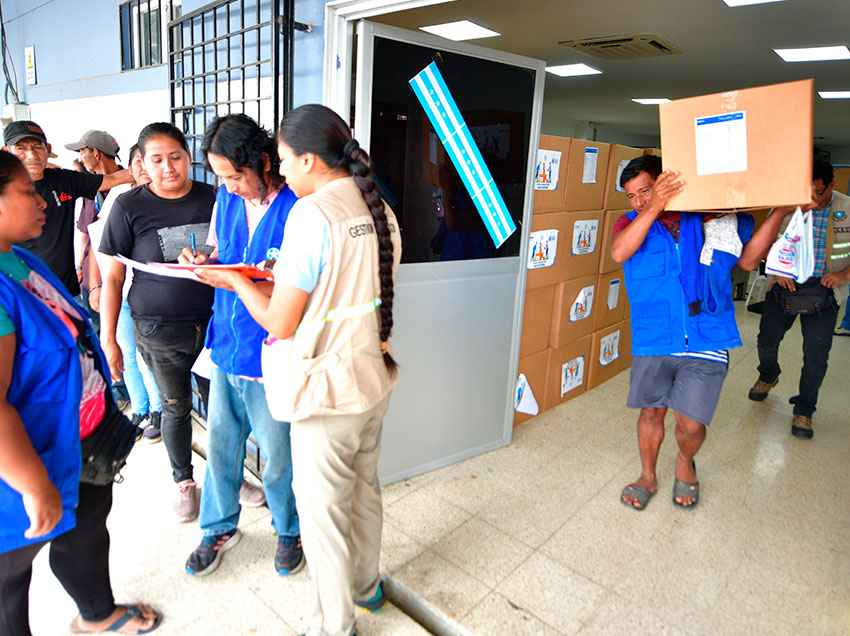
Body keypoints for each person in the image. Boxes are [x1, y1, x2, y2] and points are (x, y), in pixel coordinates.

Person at [195, 104, 401, 636]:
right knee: (364, 491)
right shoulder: (378, 209)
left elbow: (282, 323)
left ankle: (335, 626)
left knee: (324, 515)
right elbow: (345, 294)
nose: (281, 171)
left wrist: (235, 282)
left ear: (310, 159)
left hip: (327, 391)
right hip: (372, 379)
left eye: (285, 160)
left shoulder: (312, 215)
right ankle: (366, 587)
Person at [0, 150, 161, 635]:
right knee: (9, 581)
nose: (42, 200)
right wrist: (33, 485)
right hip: (29, 461)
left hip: (80, 440)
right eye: (26, 192)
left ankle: (97, 613)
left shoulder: (17, 259)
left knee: (86, 532)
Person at [612, 155, 795, 511]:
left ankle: (685, 460)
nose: (637, 201)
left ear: (667, 181)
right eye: (630, 195)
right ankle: (647, 475)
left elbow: (746, 260)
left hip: (706, 334)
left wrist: (778, 212)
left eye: (644, 191)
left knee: (691, 425)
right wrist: (653, 207)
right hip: (655, 336)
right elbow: (620, 252)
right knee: (651, 413)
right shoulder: (632, 222)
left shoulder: (719, 221)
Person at [179, 114, 302, 577]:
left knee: (276, 459)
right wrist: (202, 260)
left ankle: (288, 530)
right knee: (222, 449)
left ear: (263, 162)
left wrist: (232, 279)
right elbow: (219, 251)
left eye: (235, 176)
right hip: (227, 345)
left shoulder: (297, 209)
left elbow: (291, 288)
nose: (229, 187)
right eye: (221, 178)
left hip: (269, 354)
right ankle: (218, 527)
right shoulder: (226, 201)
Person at [99, 123, 215, 522]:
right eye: (158, 160)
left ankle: (225, 477)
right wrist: (109, 338)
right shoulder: (129, 206)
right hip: (158, 330)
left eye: (176, 157)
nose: (169, 167)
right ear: (143, 164)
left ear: (189, 156)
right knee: (175, 406)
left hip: (214, 325)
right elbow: (113, 277)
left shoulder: (212, 198)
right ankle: (184, 482)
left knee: (223, 409)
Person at [748, 158, 850, 439]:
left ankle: (804, 409)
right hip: (784, 287)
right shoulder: (786, 205)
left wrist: (842, 277)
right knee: (766, 341)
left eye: (818, 193)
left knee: (816, 355)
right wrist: (776, 269)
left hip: (825, 291)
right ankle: (768, 374)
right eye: (807, 192)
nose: (812, 200)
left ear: (831, 185)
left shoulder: (847, 208)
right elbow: (765, 244)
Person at [3, 120, 131, 296]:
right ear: (6, 152)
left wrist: (154, 168)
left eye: (37, 146)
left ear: (47, 149)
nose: (31, 155)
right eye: (21, 148)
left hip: (65, 293)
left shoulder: (64, 180)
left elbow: (113, 179)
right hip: (21, 296)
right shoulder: (3, 189)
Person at [89, 144, 163, 431]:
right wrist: (97, 285)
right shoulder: (120, 198)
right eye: (138, 162)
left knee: (147, 355)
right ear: (131, 166)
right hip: (117, 288)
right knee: (126, 352)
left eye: (149, 161)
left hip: (146, 292)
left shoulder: (164, 198)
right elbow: (98, 243)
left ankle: (158, 409)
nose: (144, 168)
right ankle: (140, 408)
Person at [65, 129, 125, 323]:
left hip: (118, 277)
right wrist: (80, 266)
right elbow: (85, 234)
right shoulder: (88, 188)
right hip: (91, 276)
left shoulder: (128, 187)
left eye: (82, 152)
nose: (81, 158)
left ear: (96, 154)